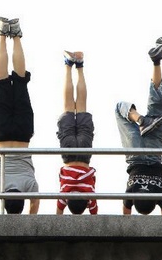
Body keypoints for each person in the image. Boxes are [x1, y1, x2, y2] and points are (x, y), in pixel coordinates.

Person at [0, 17, 39, 215]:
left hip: (24, 134)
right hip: (1, 134)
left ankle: (15, 35)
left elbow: (35, 205)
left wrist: (29, 218)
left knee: (20, 81)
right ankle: (2, 35)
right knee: (2, 81)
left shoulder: (30, 186)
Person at [116, 36, 162, 215]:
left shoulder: (159, 194)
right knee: (119, 109)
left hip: (154, 154)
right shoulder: (131, 194)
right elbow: (125, 214)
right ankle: (138, 119)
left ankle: (156, 62)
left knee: (159, 108)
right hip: (135, 155)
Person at [56, 51, 98, 215]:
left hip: (85, 153)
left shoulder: (89, 195)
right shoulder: (64, 194)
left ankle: (79, 66)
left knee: (81, 106)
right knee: (68, 106)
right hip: (68, 154)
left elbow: (94, 214)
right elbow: (58, 215)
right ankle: (68, 65)